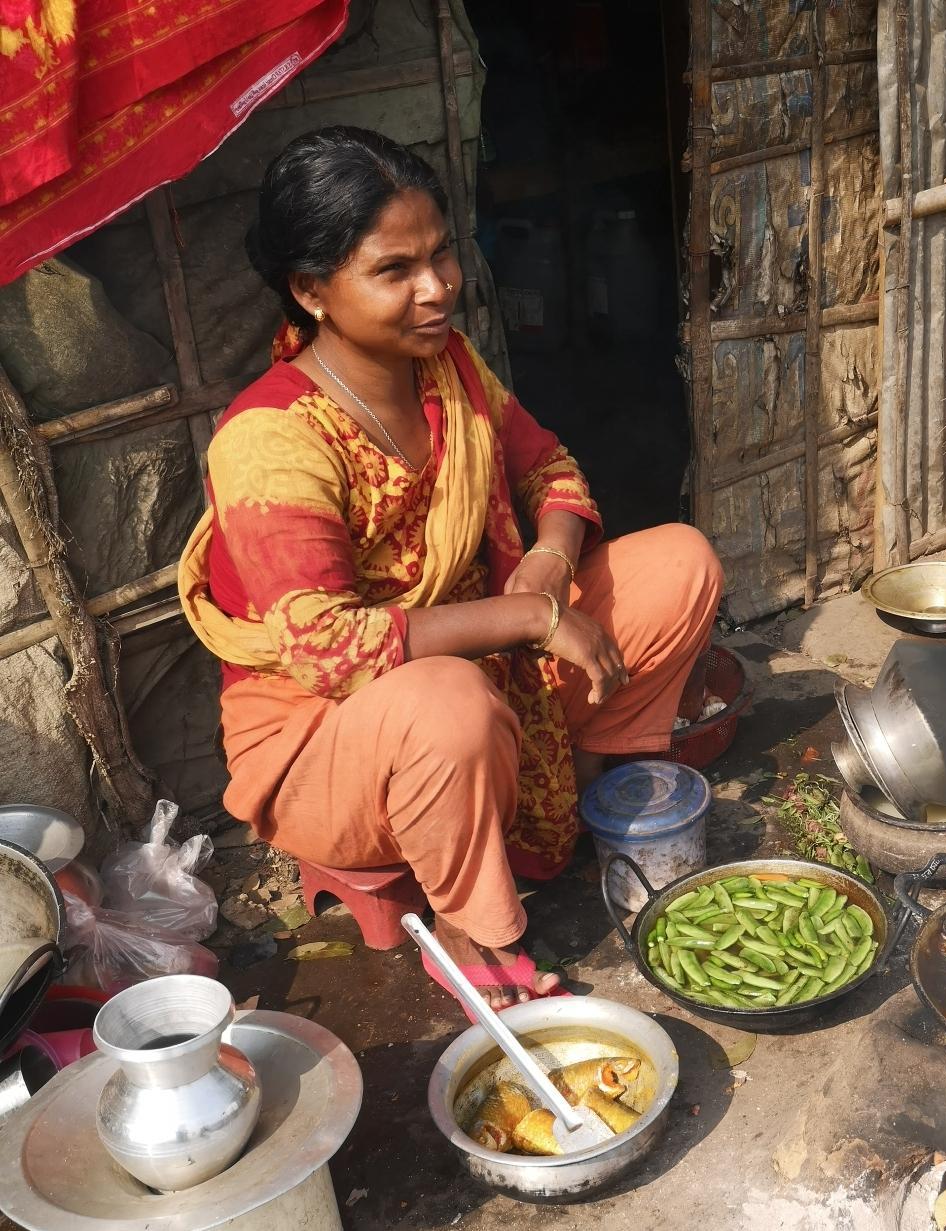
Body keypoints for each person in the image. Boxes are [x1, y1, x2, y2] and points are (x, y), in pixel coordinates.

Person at [178, 126, 722, 1011]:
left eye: (439, 256)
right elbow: (335, 650)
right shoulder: (272, 439)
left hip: (474, 661)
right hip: (324, 738)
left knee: (681, 564)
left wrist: (548, 561)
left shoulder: (449, 366)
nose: (436, 289)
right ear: (311, 290)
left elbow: (551, 470)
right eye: (394, 270)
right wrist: (529, 619)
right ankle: (475, 930)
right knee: (448, 703)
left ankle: (574, 792)